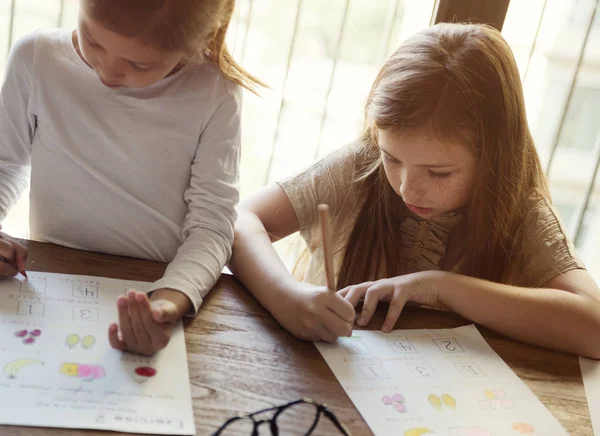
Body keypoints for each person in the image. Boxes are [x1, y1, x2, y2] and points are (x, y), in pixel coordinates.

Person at [229, 23, 600, 358]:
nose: (408, 188)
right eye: (392, 158)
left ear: (493, 158)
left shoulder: (522, 212)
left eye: (438, 173)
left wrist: (444, 287)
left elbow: (594, 328)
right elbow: (241, 219)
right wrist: (286, 297)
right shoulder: (361, 167)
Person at [0, 0, 262, 355]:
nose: (107, 73)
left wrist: (170, 300)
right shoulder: (36, 57)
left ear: (198, 41)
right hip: (52, 285)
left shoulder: (215, 92)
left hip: (155, 283)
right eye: (92, 40)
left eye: (140, 64)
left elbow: (212, 226)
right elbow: (6, 165)